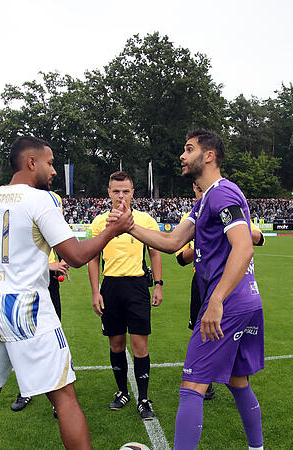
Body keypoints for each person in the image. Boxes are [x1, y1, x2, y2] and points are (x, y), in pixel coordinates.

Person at [0, 136, 132, 450]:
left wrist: (37, 267)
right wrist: (112, 230)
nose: (53, 171)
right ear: (31, 162)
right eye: (50, 163)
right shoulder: (41, 200)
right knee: (65, 398)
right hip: (27, 310)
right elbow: (77, 256)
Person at [110, 129, 265, 450]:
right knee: (237, 382)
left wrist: (217, 301)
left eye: (189, 149)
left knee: (191, 386)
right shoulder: (206, 199)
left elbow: (244, 247)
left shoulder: (222, 193)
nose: (182, 155)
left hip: (230, 304)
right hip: (247, 302)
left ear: (208, 156)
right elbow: (172, 243)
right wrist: (130, 226)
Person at [175, 182, 265, 402]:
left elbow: (258, 238)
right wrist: (200, 246)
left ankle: (234, 376)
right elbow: (179, 257)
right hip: (202, 281)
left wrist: (230, 231)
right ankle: (207, 379)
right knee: (200, 328)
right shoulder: (192, 217)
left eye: (201, 189)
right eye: (196, 190)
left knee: (230, 333)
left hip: (230, 282)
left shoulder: (228, 208)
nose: (200, 192)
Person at [87, 171, 163, 420]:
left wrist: (158, 285)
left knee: (140, 346)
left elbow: (155, 252)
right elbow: (92, 259)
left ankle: (143, 398)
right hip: (110, 288)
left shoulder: (144, 220)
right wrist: (95, 291)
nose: (121, 196)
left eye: (126, 191)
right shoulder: (99, 222)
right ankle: (122, 392)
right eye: (116, 191)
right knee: (116, 344)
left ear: (133, 192)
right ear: (108, 192)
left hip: (137, 287)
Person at [10, 192, 71, 414]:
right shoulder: (20, 209)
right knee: (22, 338)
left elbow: (60, 242)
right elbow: (17, 258)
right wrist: (49, 266)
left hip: (49, 283)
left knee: (53, 339)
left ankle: (58, 398)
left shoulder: (53, 207)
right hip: (26, 286)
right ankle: (25, 390)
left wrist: (64, 261)